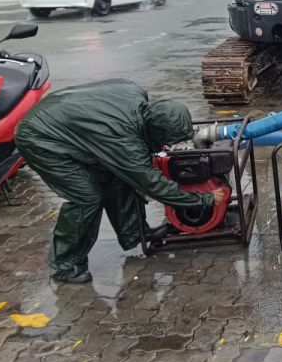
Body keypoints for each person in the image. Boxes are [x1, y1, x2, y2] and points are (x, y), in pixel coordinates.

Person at [14, 79, 225, 283]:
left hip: (63, 118)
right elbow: (151, 184)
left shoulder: (136, 93)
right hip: (40, 136)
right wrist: (203, 200)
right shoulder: (124, 139)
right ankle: (66, 265)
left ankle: (134, 233)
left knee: (118, 177)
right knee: (87, 198)